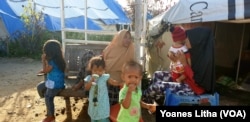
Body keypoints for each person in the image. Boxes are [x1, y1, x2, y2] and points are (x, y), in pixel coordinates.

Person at [142, 26, 216, 107]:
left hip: (192, 88)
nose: (185, 44)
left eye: (187, 41)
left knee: (157, 86)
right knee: (157, 74)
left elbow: (196, 80)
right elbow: (180, 67)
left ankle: (141, 99)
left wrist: (184, 63)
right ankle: (152, 100)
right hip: (183, 79)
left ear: (196, 42)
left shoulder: (204, 61)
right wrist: (174, 60)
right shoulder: (192, 52)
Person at [83, 55, 122, 122]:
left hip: (103, 103)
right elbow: (86, 88)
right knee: (94, 117)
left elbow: (113, 82)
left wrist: (121, 83)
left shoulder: (105, 77)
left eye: (100, 70)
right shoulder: (89, 78)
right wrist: (91, 81)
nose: (97, 73)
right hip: (93, 105)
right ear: (91, 69)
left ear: (104, 70)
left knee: (103, 119)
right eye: (95, 70)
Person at [102, 29, 135, 105]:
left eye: (129, 38)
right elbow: (102, 61)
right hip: (106, 77)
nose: (128, 40)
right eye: (125, 37)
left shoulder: (131, 50)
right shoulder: (110, 48)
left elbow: (133, 68)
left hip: (121, 81)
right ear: (119, 38)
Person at [36, 39, 66, 122]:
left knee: (48, 97)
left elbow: (45, 70)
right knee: (39, 87)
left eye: (45, 51)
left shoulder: (52, 62)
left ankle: (51, 116)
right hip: (54, 83)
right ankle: (47, 103)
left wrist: (43, 61)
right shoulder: (59, 60)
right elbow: (46, 71)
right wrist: (44, 69)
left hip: (55, 85)